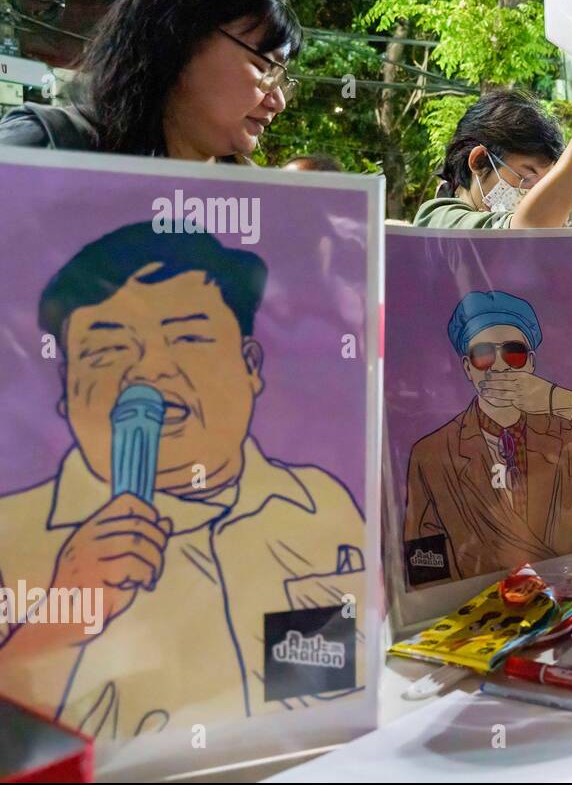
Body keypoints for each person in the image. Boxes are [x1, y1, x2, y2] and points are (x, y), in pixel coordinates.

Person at [0, 223, 365, 740]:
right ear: (66, 393)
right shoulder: (9, 535)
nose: (149, 374)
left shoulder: (318, 505)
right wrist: (64, 613)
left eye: (188, 338)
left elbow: (335, 679)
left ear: (250, 367)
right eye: (106, 352)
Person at [0, 0, 306, 161]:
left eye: (282, 78)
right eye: (264, 66)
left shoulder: (253, 202)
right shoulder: (46, 147)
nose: (277, 101)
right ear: (177, 40)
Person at [403, 290, 572, 583]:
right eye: (483, 355)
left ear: (531, 363)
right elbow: (425, 569)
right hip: (477, 618)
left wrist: (559, 399)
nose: (499, 365)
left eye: (513, 352)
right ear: (466, 367)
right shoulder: (432, 454)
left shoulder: (571, 437)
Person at [412, 57, 572, 231]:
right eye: (527, 176)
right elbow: (527, 231)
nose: (536, 193)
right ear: (479, 161)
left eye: (545, 183)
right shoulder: (437, 218)